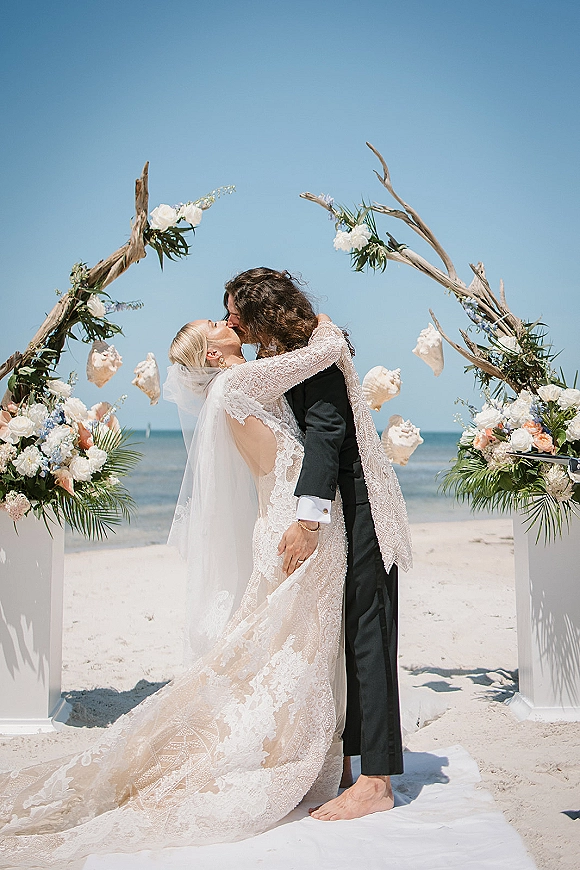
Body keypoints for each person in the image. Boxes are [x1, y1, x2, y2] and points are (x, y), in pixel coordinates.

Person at [0, 315, 351, 868]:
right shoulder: (240, 383)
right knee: (295, 650)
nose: (226, 319)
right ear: (212, 355)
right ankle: (293, 760)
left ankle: (303, 753)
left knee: (292, 651)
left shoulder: (246, 381)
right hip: (293, 527)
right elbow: (315, 359)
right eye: (216, 323)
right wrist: (329, 334)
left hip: (280, 519)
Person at [224, 267, 412, 821]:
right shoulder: (293, 352)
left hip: (362, 504)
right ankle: (348, 765)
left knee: (368, 636)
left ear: (263, 310)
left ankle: (377, 781)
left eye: (237, 310)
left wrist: (306, 523)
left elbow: (326, 435)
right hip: (337, 502)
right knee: (338, 635)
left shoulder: (318, 351)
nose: (232, 320)